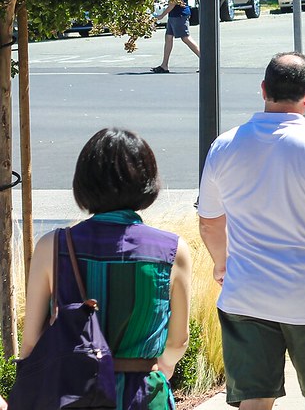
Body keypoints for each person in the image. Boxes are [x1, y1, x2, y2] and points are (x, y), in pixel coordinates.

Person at [198, 52, 305, 410]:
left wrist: (221, 264)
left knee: (255, 400)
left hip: (246, 296)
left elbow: (210, 221)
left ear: (264, 89)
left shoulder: (224, 146)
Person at [20, 128, 192, 410]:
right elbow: (178, 341)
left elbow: (31, 342)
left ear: (83, 183)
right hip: (143, 394)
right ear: (148, 182)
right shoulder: (172, 250)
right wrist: (161, 366)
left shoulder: (53, 246)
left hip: (71, 393)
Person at [152, 0, 199, 73]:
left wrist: (161, 15)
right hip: (175, 14)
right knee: (168, 37)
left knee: (185, 37)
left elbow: (173, 3)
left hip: (179, 14)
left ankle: (205, 61)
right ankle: (164, 65)